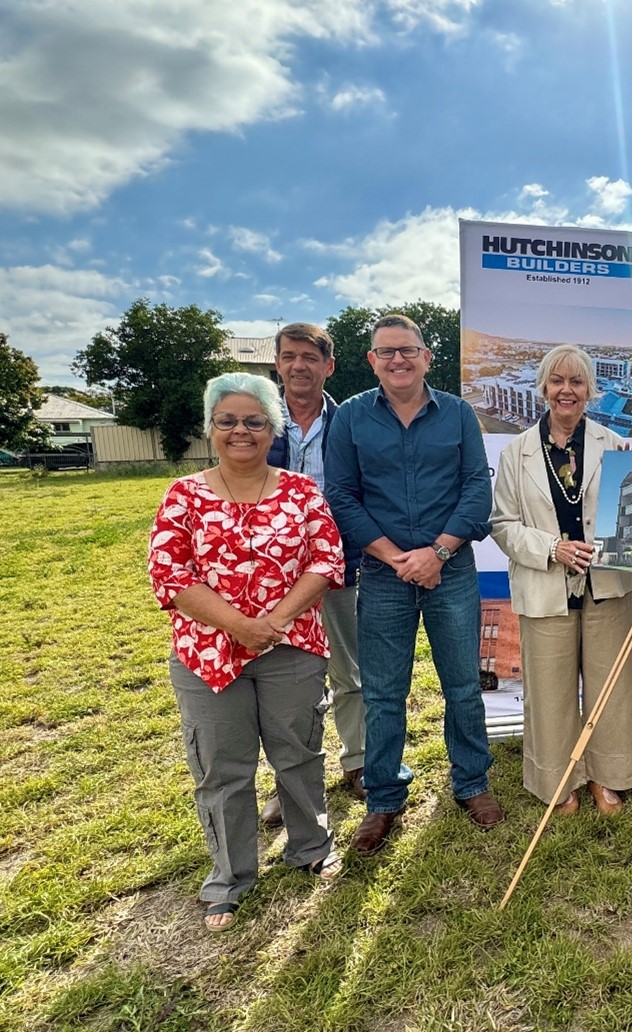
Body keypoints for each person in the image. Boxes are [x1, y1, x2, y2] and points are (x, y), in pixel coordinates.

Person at [149, 373, 345, 931]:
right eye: (228, 420)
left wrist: (275, 622)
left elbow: (325, 561)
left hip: (292, 647)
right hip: (208, 653)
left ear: (271, 428)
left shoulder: (301, 491)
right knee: (222, 769)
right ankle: (230, 877)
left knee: (299, 753)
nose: (241, 431)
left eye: (254, 421)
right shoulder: (183, 495)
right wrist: (239, 626)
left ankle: (310, 848)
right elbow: (168, 574)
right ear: (211, 428)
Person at [324, 312, 501, 853]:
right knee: (383, 693)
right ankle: (383, 800)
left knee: (464, 687)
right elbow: (342, 496)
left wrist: (438, 551)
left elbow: (477, 488)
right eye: (387, 352)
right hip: (383, 574)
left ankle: (471, 783)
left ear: (426, 356)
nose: (398, 359)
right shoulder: (352, 418)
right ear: (372, 360)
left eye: (408, 350)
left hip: (451, 570)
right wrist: (398, 557)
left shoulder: (459, 415)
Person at [491, 345, 632, 815]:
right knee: (550, 689)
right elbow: (502, 525)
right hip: (546, 587)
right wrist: (552, 548)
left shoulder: (616, 446)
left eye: (577, 382)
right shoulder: (515, 452)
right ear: (544, 388)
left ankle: (610, 775)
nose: (567, 390)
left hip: (606, 587)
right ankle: (560, 779)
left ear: (590, 391)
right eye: (558, 381)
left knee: (612, 685)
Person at [258, 322, 366, 828]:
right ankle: (291, 783)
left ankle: (359, 761)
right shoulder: (256, 419)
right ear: (277, 363)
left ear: (329, 366)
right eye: (289, 356)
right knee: (288, 685)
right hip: (273, 575)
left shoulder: (351, 422)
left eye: (309, 357)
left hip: (339, 565)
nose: (298, 365)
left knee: (352, 670)